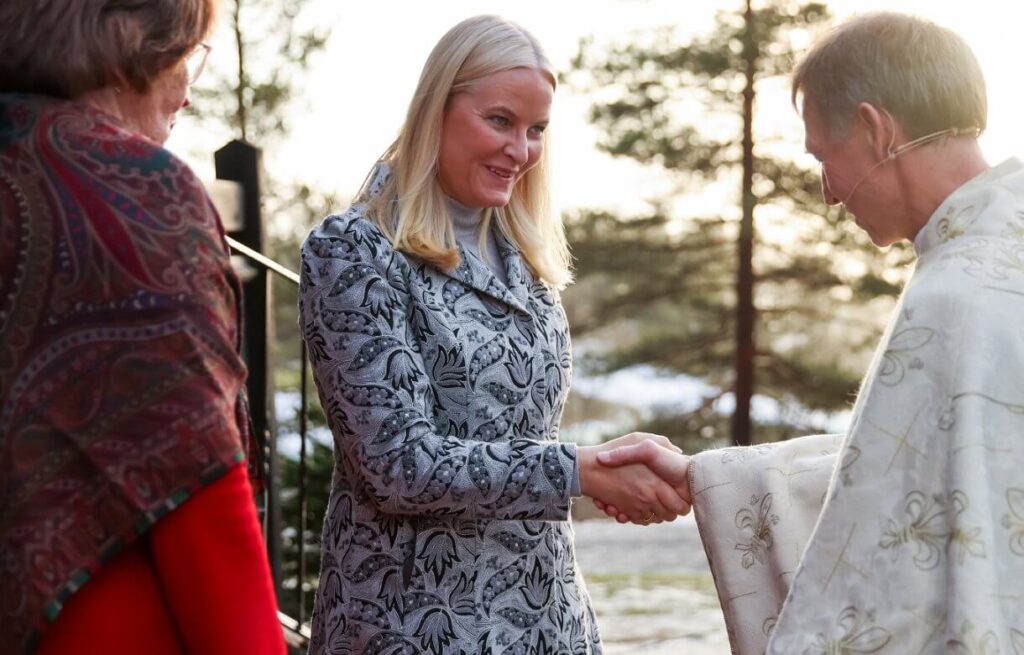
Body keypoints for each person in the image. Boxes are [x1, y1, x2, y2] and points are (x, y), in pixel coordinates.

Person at [595, 11, 1024, 655]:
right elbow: (908, 487)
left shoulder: (953, 300)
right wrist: (700, 477)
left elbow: (890, 538)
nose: (827, 193)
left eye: (825, 155)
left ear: (877, 130)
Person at [298, 14, 691, 654]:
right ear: (436, 111)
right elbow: (398, 464)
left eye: (537, 130)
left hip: (546, 619)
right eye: (501, 121)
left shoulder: (524, 257)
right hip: (413, 625)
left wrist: (605, 460)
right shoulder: (354, 252)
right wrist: (580, 470)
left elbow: (519, 442)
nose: (522, 150)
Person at [0, 2, 285, 653]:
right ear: (135, 37)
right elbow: (203, 504)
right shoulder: (139, 192)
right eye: (190, 52)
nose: (192, 83)